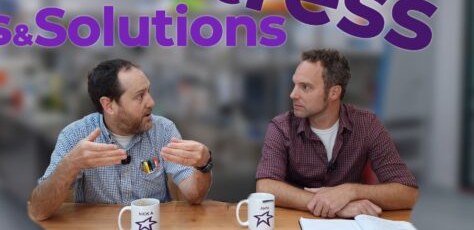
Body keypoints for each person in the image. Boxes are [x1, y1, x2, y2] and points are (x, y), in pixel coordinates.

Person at [28, 59, 213, 221]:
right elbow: (38, 211)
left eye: (148, 91)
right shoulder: (75, 135)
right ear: (108, 105)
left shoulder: (163, 130)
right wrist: (70, 165)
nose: (151, 102)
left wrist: (203, 166)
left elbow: (194, 196)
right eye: (140, 96)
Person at [256, 49, 419, 219]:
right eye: (294, 84)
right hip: (294, 223)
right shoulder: (281, 127)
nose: (293, 94)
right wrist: (332, 205)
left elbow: (408, 193)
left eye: (305, 87)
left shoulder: (367, 125)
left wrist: (351, 191)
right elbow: (266, 186)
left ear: (334, 92)